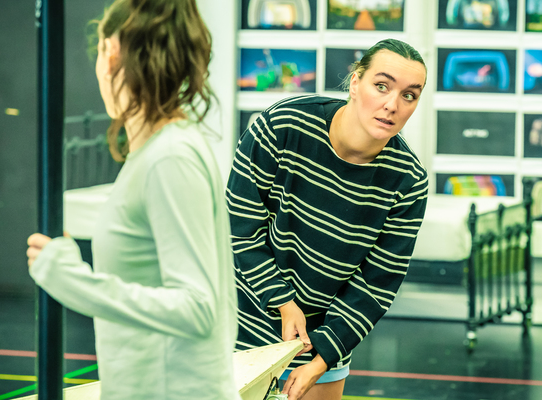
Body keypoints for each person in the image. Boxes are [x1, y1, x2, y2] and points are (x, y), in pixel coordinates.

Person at [26, 1, 240, 399]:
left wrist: (74, 281)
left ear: (110, 54)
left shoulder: (170, 157)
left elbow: (197, 307)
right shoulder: (161, 151)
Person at [226, 38, 428, 400]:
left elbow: (376, 284)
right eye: (381, 86)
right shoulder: (281, 125)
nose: (391, 105)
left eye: (409, 95)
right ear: (355, 82)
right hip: (240, 319)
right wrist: (283, 301)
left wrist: (320, 360)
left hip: (322, 344)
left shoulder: (409, 181)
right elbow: (239, 227)